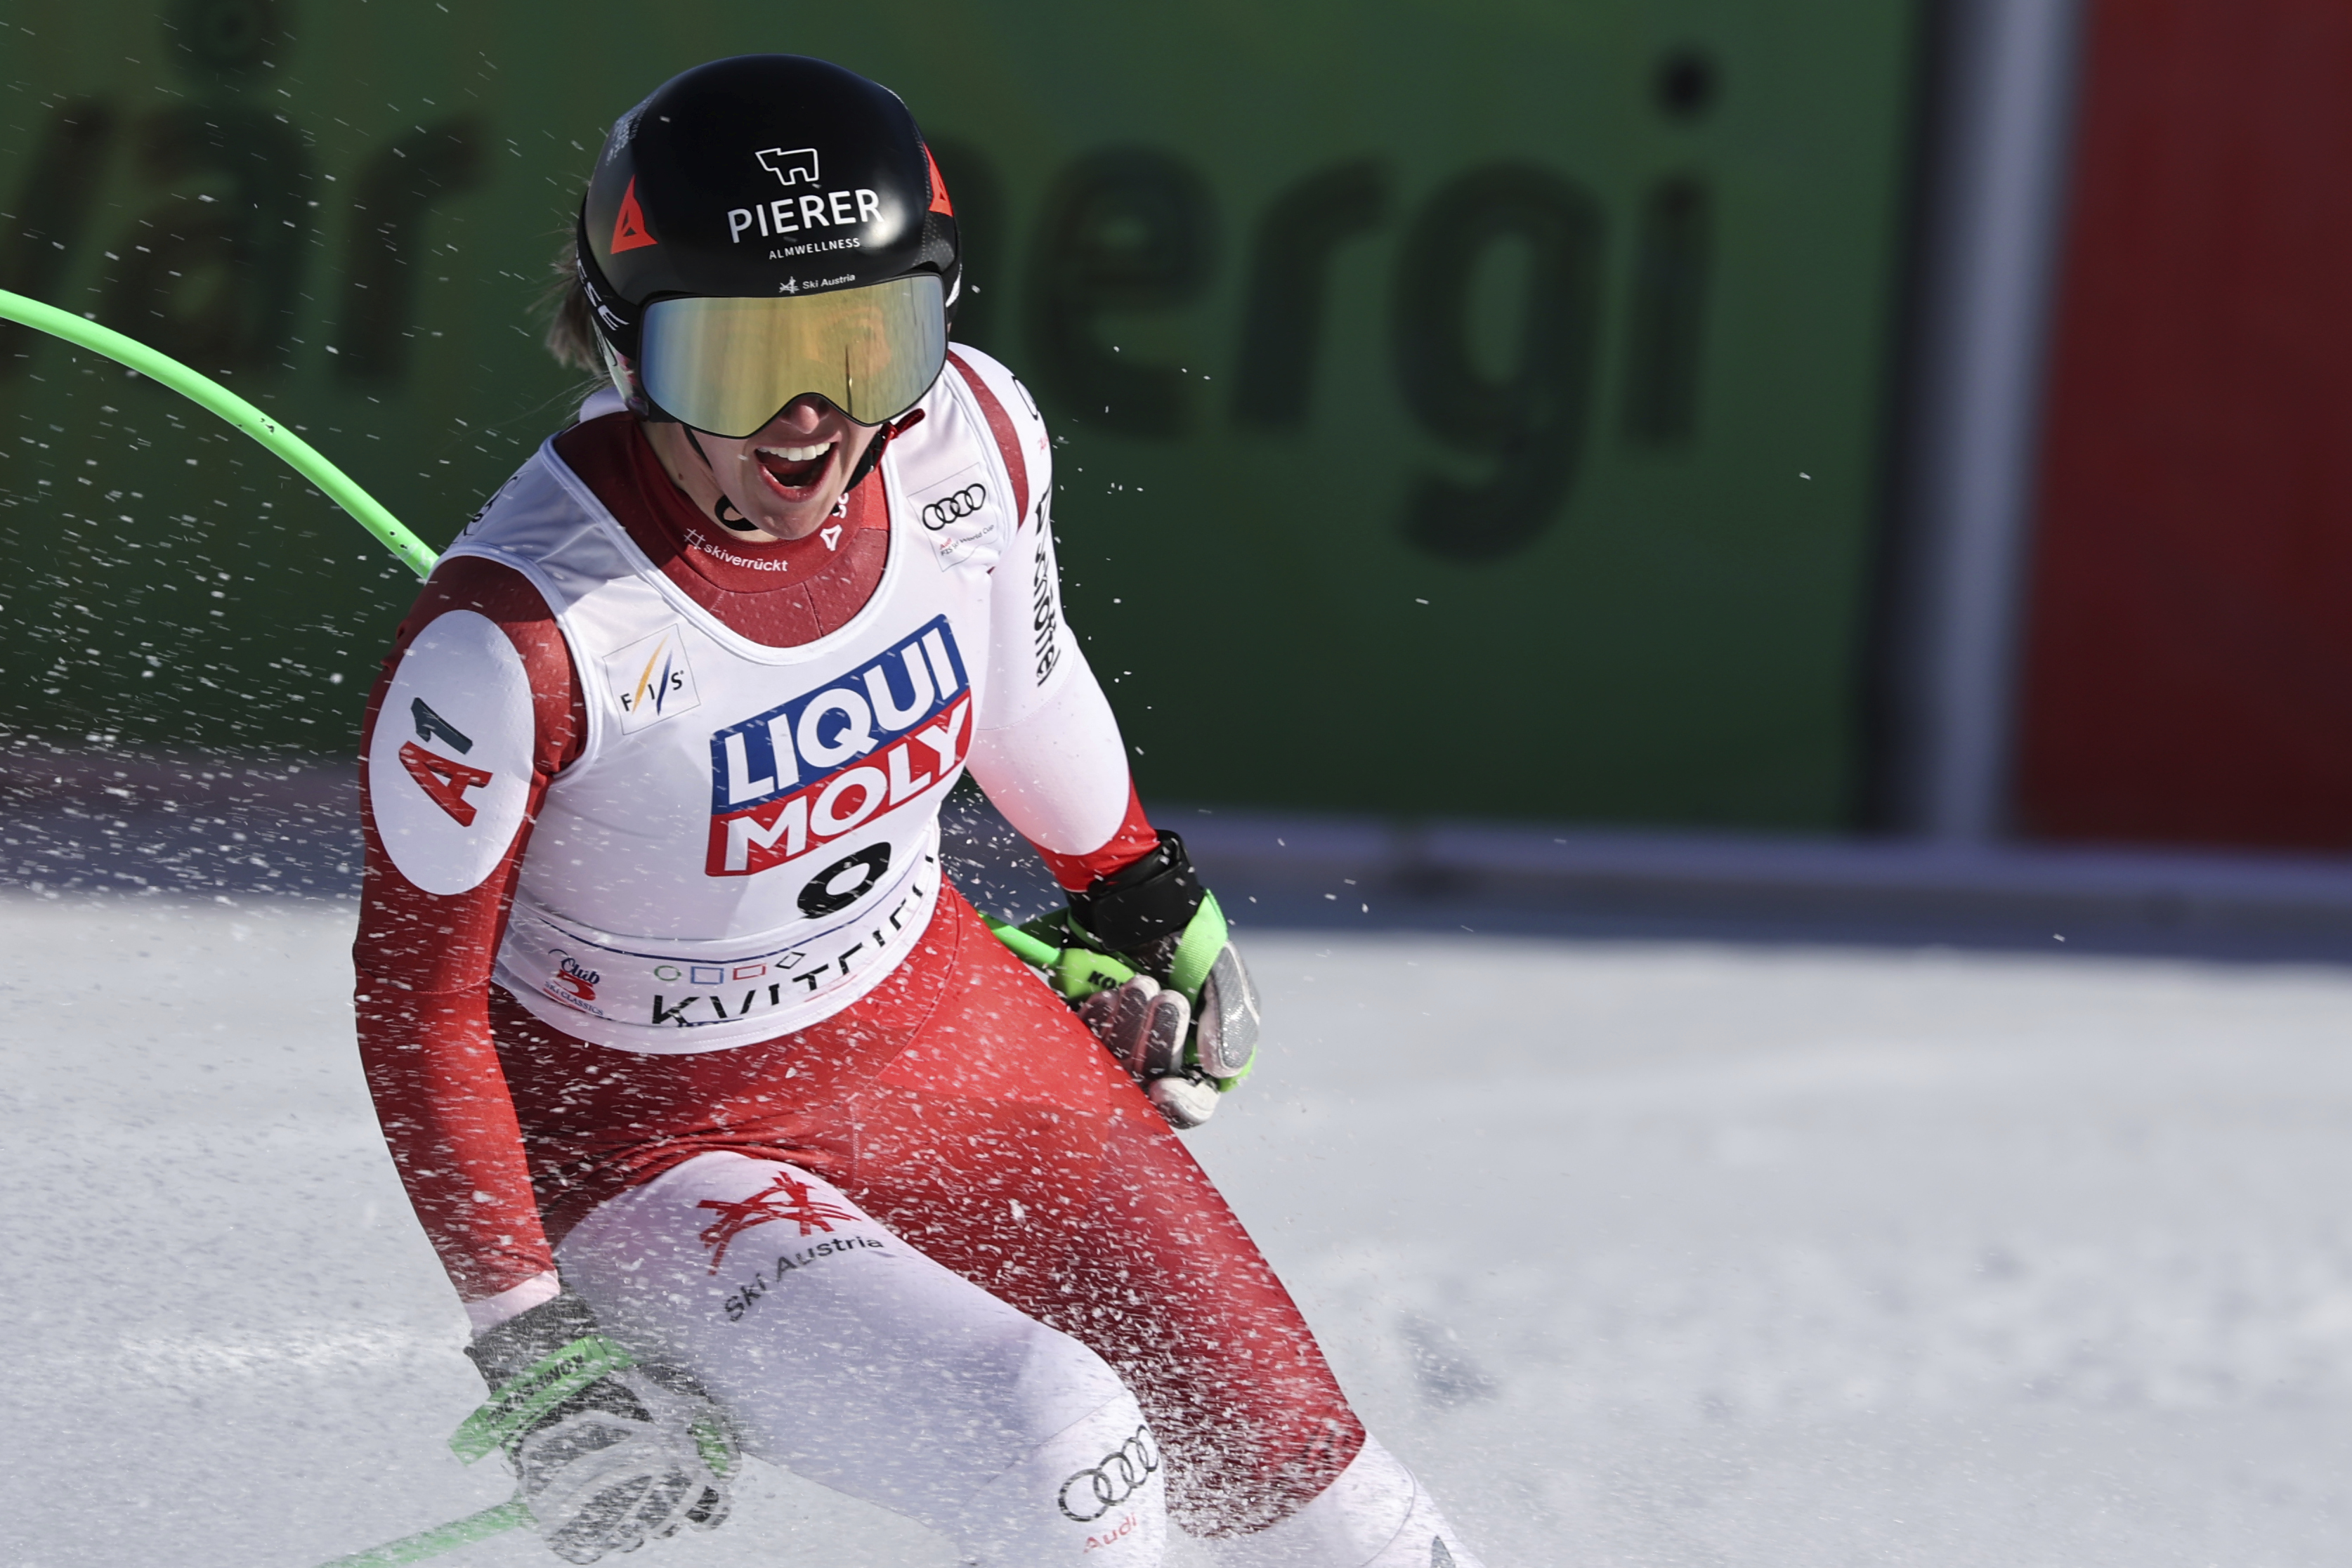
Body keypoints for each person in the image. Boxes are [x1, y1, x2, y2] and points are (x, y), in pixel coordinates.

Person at [354, 53, 1485, 1568]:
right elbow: (416, 1009)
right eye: (741, 364)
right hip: (651, 1146)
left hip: (943, 1030)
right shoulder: (518, 640)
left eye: (865, 341)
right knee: (1068, 1450)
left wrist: (1144, 892)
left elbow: (1019, 683)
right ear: (623, 352)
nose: (811, 419)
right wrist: (532, 1345)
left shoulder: (978, 439)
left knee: (1336, 1507)